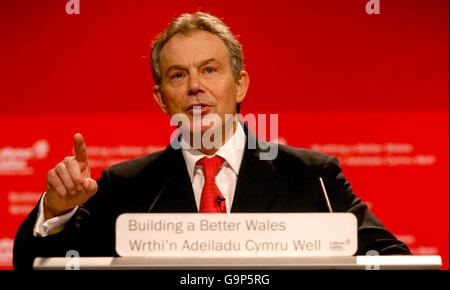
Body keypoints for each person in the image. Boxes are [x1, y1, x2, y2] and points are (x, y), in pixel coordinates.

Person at [13, 12, 411, 270]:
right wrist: (57, 212)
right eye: (178, 75)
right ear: (161, 98)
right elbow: (37, 265)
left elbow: (393, 261)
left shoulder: (311, 178)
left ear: (239, 84)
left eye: (209, 70)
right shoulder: (125, 186)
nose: (195, 87)